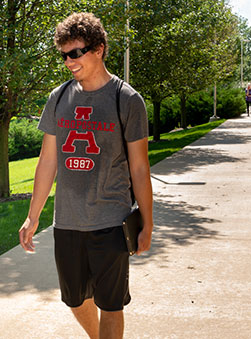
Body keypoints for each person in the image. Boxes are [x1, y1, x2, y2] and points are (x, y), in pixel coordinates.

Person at [18, 12, 154, 339]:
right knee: (76, 301)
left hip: (111, 219)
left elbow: (139, 167)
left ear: (99, 49)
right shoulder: (59, 98)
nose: (69, 61)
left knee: (111, 304)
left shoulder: (127, 100)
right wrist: (32, 216)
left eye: (76, 53)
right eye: (64, 55)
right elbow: (48, 161)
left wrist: (148, 223)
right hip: (67, 222)